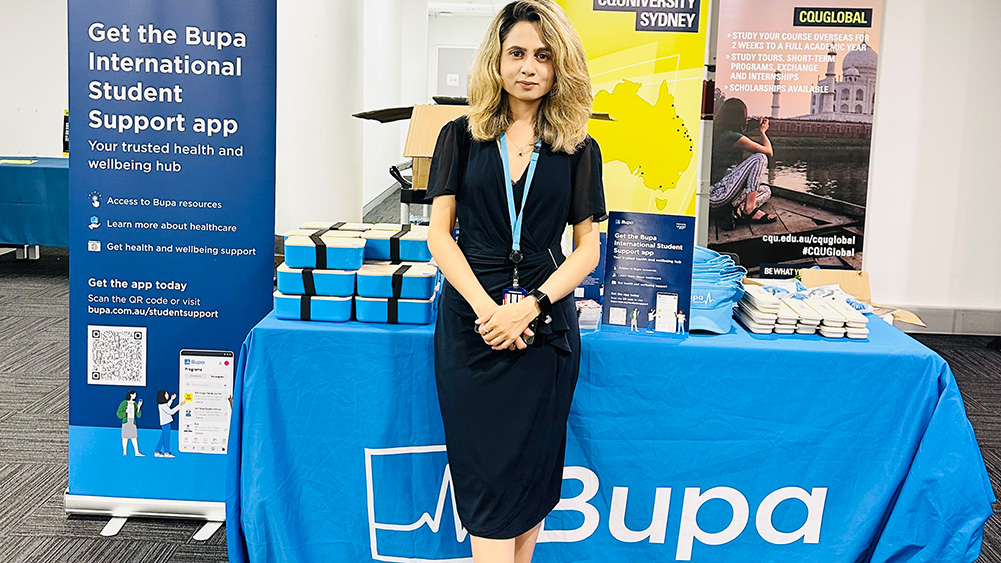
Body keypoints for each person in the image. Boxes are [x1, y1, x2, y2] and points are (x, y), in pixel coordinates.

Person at [425, 2, 605, 562]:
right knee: (487, 489)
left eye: (543, 56)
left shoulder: (579, 146)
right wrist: (489, 310)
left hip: (544, 332)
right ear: (496, 61)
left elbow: (588, 251)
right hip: (472, 329)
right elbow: (439, 237)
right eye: (517, 53)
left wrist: (530, 306)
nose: (529, 67)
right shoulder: (459, 135)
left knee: (530, 486)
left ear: (560, 67)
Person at [710, 97, 777, 229]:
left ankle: (736, 210)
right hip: (716, 193)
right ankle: (749, 209)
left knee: (765, 190)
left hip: (716, 196)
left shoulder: (719, 132)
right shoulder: (731, 136)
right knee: (760, 158)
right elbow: (768, 151)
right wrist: (763, 132)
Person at [154, 390, 185, 458]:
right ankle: (166, 452)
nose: (168, 395)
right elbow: (171, 411)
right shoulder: (162, 405)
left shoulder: (162, 405)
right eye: (166, 394)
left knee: (163, 437)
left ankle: (157, 451)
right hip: (166, 423)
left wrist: (171, 399)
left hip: (165, 422)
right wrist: (180, 405)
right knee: (166, 437)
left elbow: (167, 406)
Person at [116, 390, 143, 457]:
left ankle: (137, 452)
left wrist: (139, 407)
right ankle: (124, 451)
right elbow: (118, 413)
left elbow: (138, 415)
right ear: (130, 395)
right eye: (134, 394)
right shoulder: (124, 403)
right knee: (125, 437)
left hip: (132, 422)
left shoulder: (135, 404)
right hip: (126, 421)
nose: (135, 396)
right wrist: (125, 412)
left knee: (134, 437)